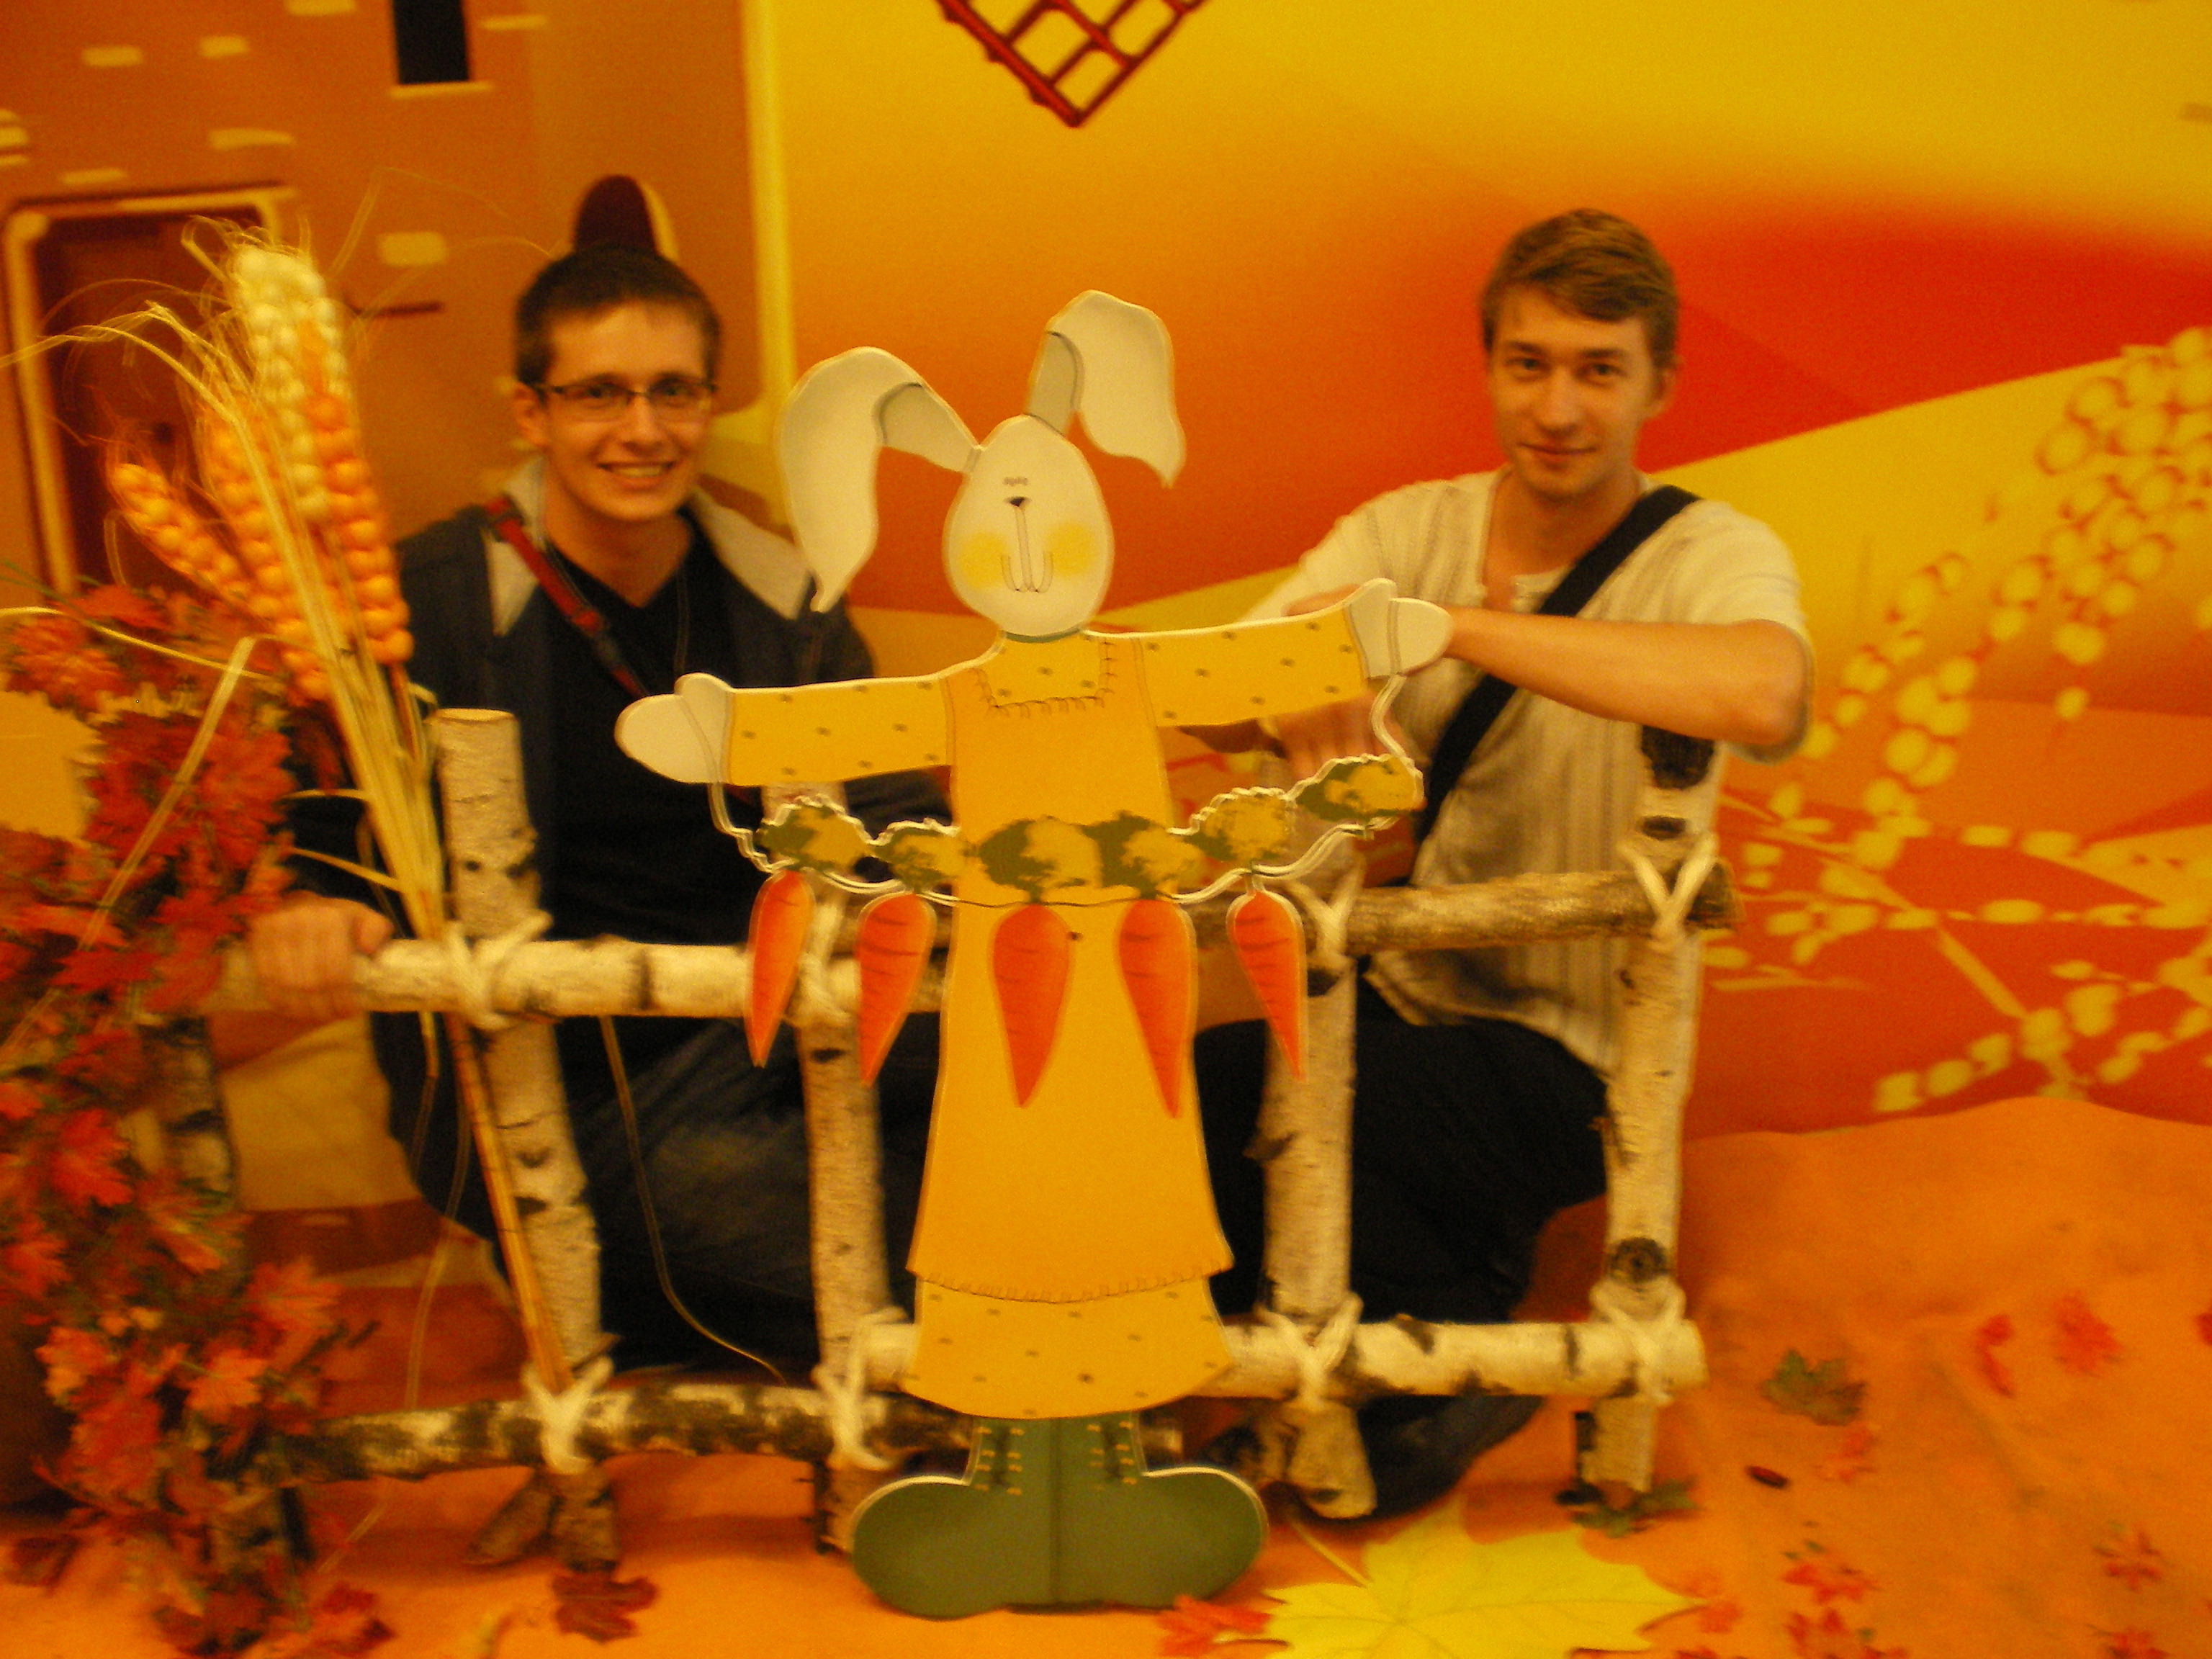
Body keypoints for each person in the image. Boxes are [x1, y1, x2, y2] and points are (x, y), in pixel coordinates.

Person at [1192, 209, 1811, 1514]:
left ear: (1659, 386)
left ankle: (1460, 1332)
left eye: (1599, 370)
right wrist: (1297, 664)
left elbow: (1762, 693)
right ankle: (1400, 1333)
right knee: (1186, 1090)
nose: (1559, 407)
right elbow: (1211, 691)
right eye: (1529, 364)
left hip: (1579, 1052)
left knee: (1312, 1105)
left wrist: (1451, 632)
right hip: (1404, 994)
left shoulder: (1714, 551)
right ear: (1488, 368)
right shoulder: (1408, 527)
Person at [241, 243, 945, 1367]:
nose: (643, 429)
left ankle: (732, 1309)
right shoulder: (424, 604)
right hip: (563, 1084)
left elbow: (896, 809)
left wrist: (950, 883)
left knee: (1020, 1086)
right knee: (770, 1209)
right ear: (531, 411)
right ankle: (934, 1318)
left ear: (708, 403)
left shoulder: (785, 599)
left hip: (779, 1023)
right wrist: (308, 901)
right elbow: (322, 811)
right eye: (600, 394)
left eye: (674, 391)